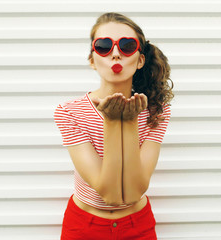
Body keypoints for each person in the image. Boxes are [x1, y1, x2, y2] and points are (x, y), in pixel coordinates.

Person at [54, 12, 174, 240]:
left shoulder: (156, 111)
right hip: (84, 227)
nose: (116, 54)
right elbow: (109, 194)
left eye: (128, 46)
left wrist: (128, 121)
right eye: (103, 46)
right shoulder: (70, 112)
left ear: (140, 60)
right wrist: (112, 121)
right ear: (92, 60)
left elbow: (133, 192)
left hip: (138, 226)